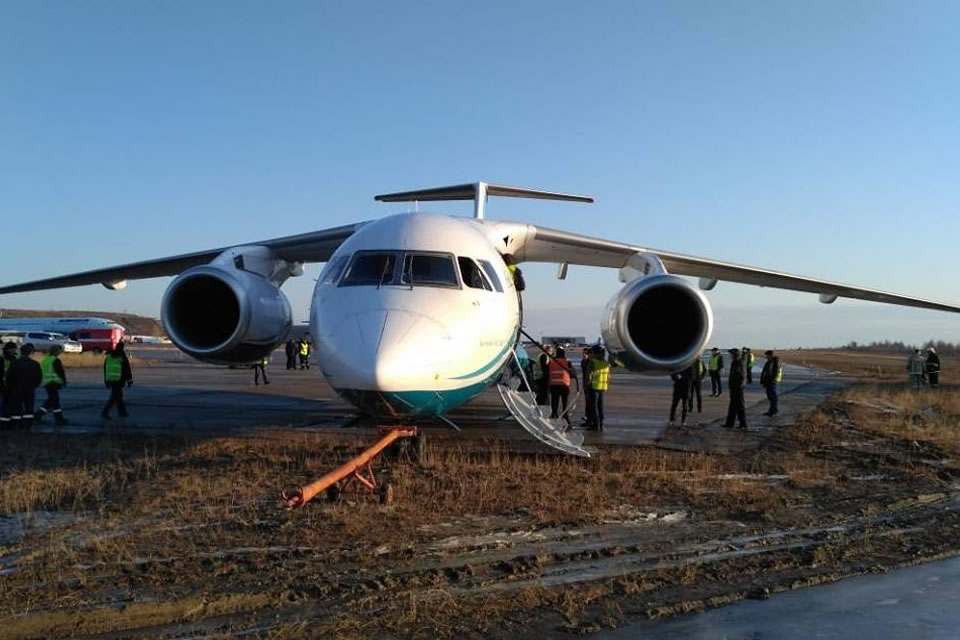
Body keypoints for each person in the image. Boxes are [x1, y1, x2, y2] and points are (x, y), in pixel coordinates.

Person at [3, 343, 42, 429]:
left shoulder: (15, 363)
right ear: (29, 353)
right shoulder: (35, 364)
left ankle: (16, 424)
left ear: (21, 352)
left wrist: (10, 388)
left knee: (17, 407)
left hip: (16, 389)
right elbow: (39, 378)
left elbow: (10, 377)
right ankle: (27, 424)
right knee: (29, 407)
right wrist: (33, 386)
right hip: (29, 389)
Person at [36, 345, 68, 425]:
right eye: (60, 350)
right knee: (53, 400)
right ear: (56, 351)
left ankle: (58, 418)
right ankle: (39, 415)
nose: (60, 352)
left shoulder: (45, 360)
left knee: (53, 400)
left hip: (47, 382)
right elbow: (60, 372)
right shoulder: (55, 360)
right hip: (54, 382)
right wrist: (64, 381)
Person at [101, 342, 133, 420]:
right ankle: (105, 412)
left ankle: (122, 412)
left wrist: (106, 380)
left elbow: (105, 369)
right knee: (114, 398)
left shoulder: (108, 356)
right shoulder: (122, 357)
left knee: (119, 396)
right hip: (119, 380)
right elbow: (127, 369)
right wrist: (129, 380)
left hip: (110, 379)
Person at [548, 347, 573, 428]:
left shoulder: (551, 362)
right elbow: (572, 373)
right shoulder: (567, 362)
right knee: (565, 403)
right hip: (564, 385)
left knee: (554, 403)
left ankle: (553, 416)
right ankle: (565, 417)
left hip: (554, 385)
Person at [723, 348, 748, 430]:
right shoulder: (735, 362)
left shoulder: (740, 363)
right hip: (734, 388)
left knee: (740, 406)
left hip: (738, 388)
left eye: (731, 354)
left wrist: (739, 387)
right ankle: (730, 423)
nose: (730, 356)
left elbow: (742, 376)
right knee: (732, 406)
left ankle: (743, 424)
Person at [587, 346, 610, 431]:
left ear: (594, 353)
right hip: (603, 386)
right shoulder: (606, 362)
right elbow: (608, 375)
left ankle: (595, 425)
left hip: (594, 386)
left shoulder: (593, 362)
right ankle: (601, 424)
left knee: (594, 406)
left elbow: (589, 374)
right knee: (600, 406)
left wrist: (588, 383)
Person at [760, 349, 783, 416]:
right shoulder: (768, 362)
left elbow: (775, 372)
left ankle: (775, 411)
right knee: (770, 397)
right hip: (768, 381)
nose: (766, 357)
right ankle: (771, 410)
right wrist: (762, 380)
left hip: (773, 382)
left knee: (774, 396)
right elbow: (764, 372)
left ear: (770, 355)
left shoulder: (776, 362)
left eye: (767, 355)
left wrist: (772, 380)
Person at [0, 341, 18, 427]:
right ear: (8, 350)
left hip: (12, 385)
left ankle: (9, 421)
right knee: (5, 404)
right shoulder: (2, 359)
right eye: (13, 348)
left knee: (10, 403)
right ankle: (4, 422)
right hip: (4, 385)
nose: (14, 350)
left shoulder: (14, 359)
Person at [580, 348, 593, 427]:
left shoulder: (591, 362)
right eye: (583, 353)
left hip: (590, 385)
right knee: (587, 403)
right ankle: (588, 418)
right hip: (586, 385)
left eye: (585, 353)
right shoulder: (584, 361)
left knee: (590, 403)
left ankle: (590, 420)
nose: (584, 355)